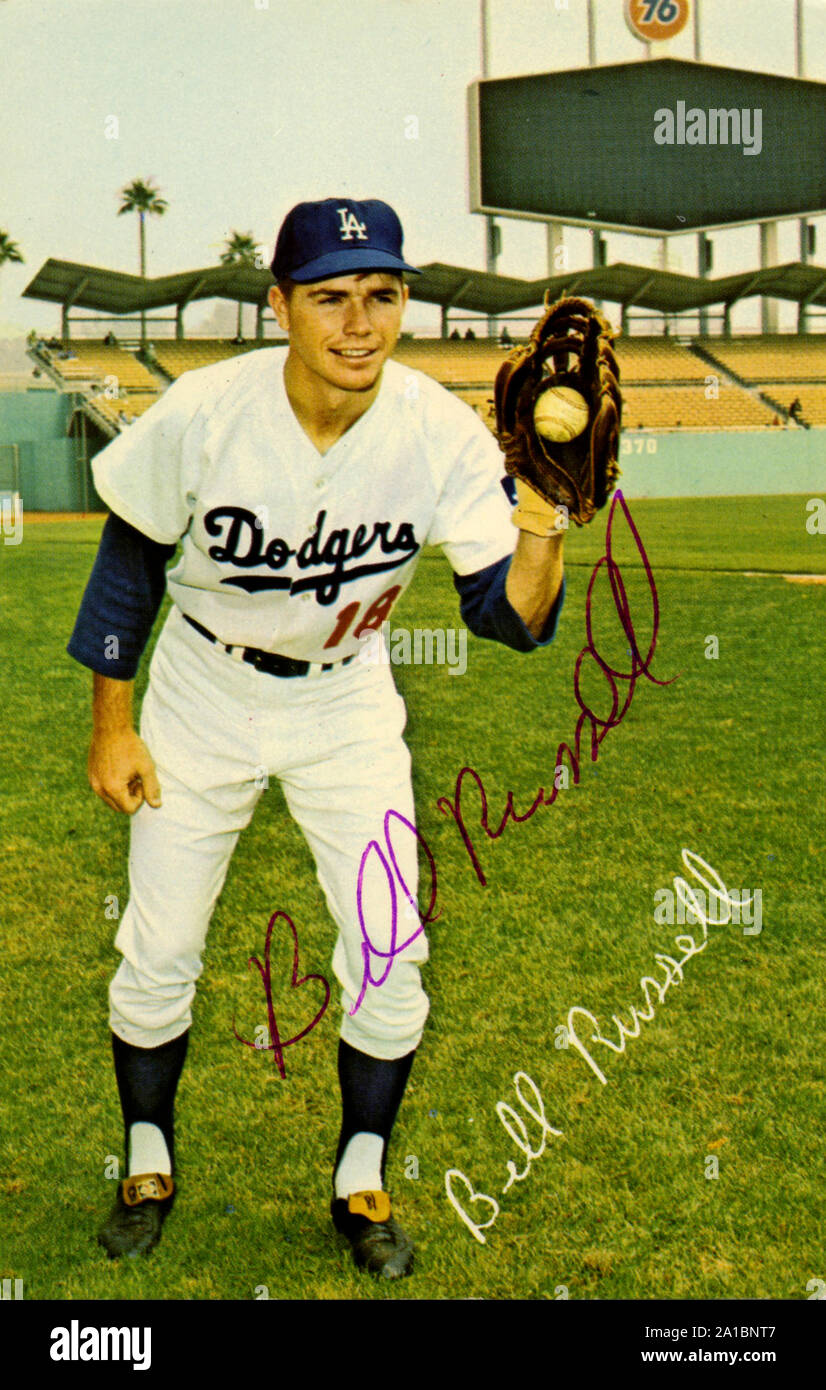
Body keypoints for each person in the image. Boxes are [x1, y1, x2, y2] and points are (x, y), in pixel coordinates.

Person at [67, 197, 566, 1281]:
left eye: (381, 295)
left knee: (391, 953)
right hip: (204, 690)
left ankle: (362, 1175)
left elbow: (513, 623)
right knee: (158, 945)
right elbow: (129, 566)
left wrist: (543, 520)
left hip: (349, 707)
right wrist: (114, 726)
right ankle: (147, 1157)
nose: (358, 323)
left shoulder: (437, 429)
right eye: (330, 296)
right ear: (278, 306)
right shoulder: (206, 410)